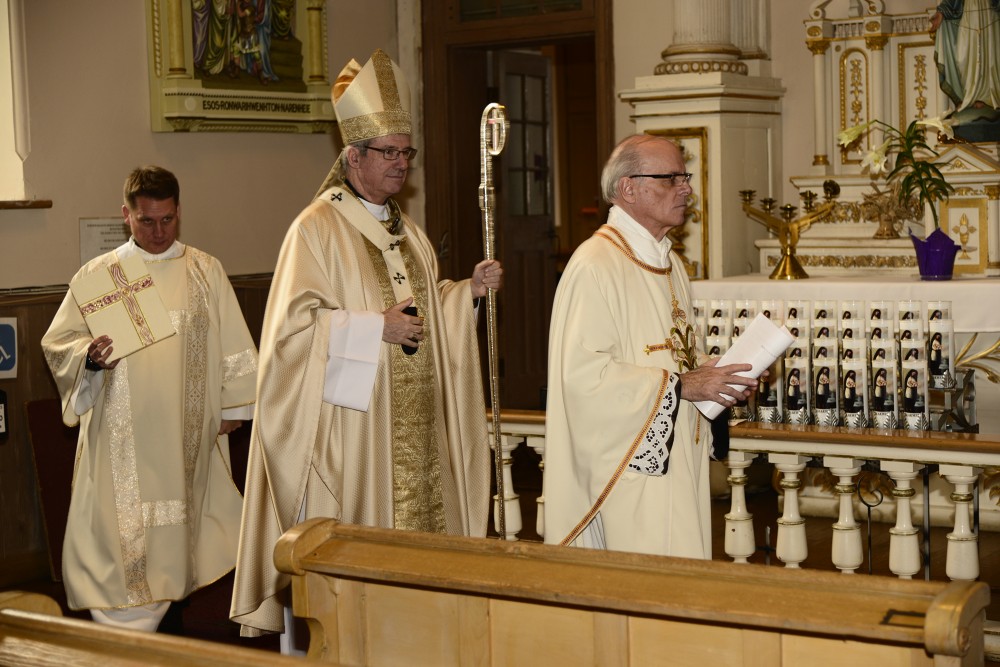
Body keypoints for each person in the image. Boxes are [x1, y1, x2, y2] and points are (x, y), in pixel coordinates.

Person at [231, 49, 501, 639]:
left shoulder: (409, 234)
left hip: (417, 430)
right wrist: (373, 328)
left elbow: (426, 309)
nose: (401, 163)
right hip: (354, 436)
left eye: (407, 153)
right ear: (353, 157)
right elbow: (290, 334)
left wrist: (467, 295)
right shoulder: (316, 229)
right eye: (389, 152)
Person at [40, 166, 259, 631]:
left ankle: (163, 629)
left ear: (179, 211)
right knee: (119, 543)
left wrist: (234, 408)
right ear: (126, 215)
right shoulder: (100, 275)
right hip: (119, 438)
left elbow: (236, 348)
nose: (158, 232)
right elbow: (59, 345)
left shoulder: (205, 271)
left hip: (185, 437)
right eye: (146, 221)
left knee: (177, 541)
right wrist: (89, 358)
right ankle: (124, 640)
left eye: (167, 220)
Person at [542, 134, 757, 558]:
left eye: (685, 177)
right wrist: (682, 386)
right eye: (671, 178)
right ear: (629, 188)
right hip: (627, 470)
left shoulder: (668, 261)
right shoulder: (594, 265)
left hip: (679, 456)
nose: (687, 189)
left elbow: (674, 353)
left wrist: (719, 374)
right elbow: (582, 379)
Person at [931, 0, 1000, 117]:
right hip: (969, 11)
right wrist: (942, 11)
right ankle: (969, 96)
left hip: (989, 13)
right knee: (962, 57)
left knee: (990, 53)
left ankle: (986, 97)